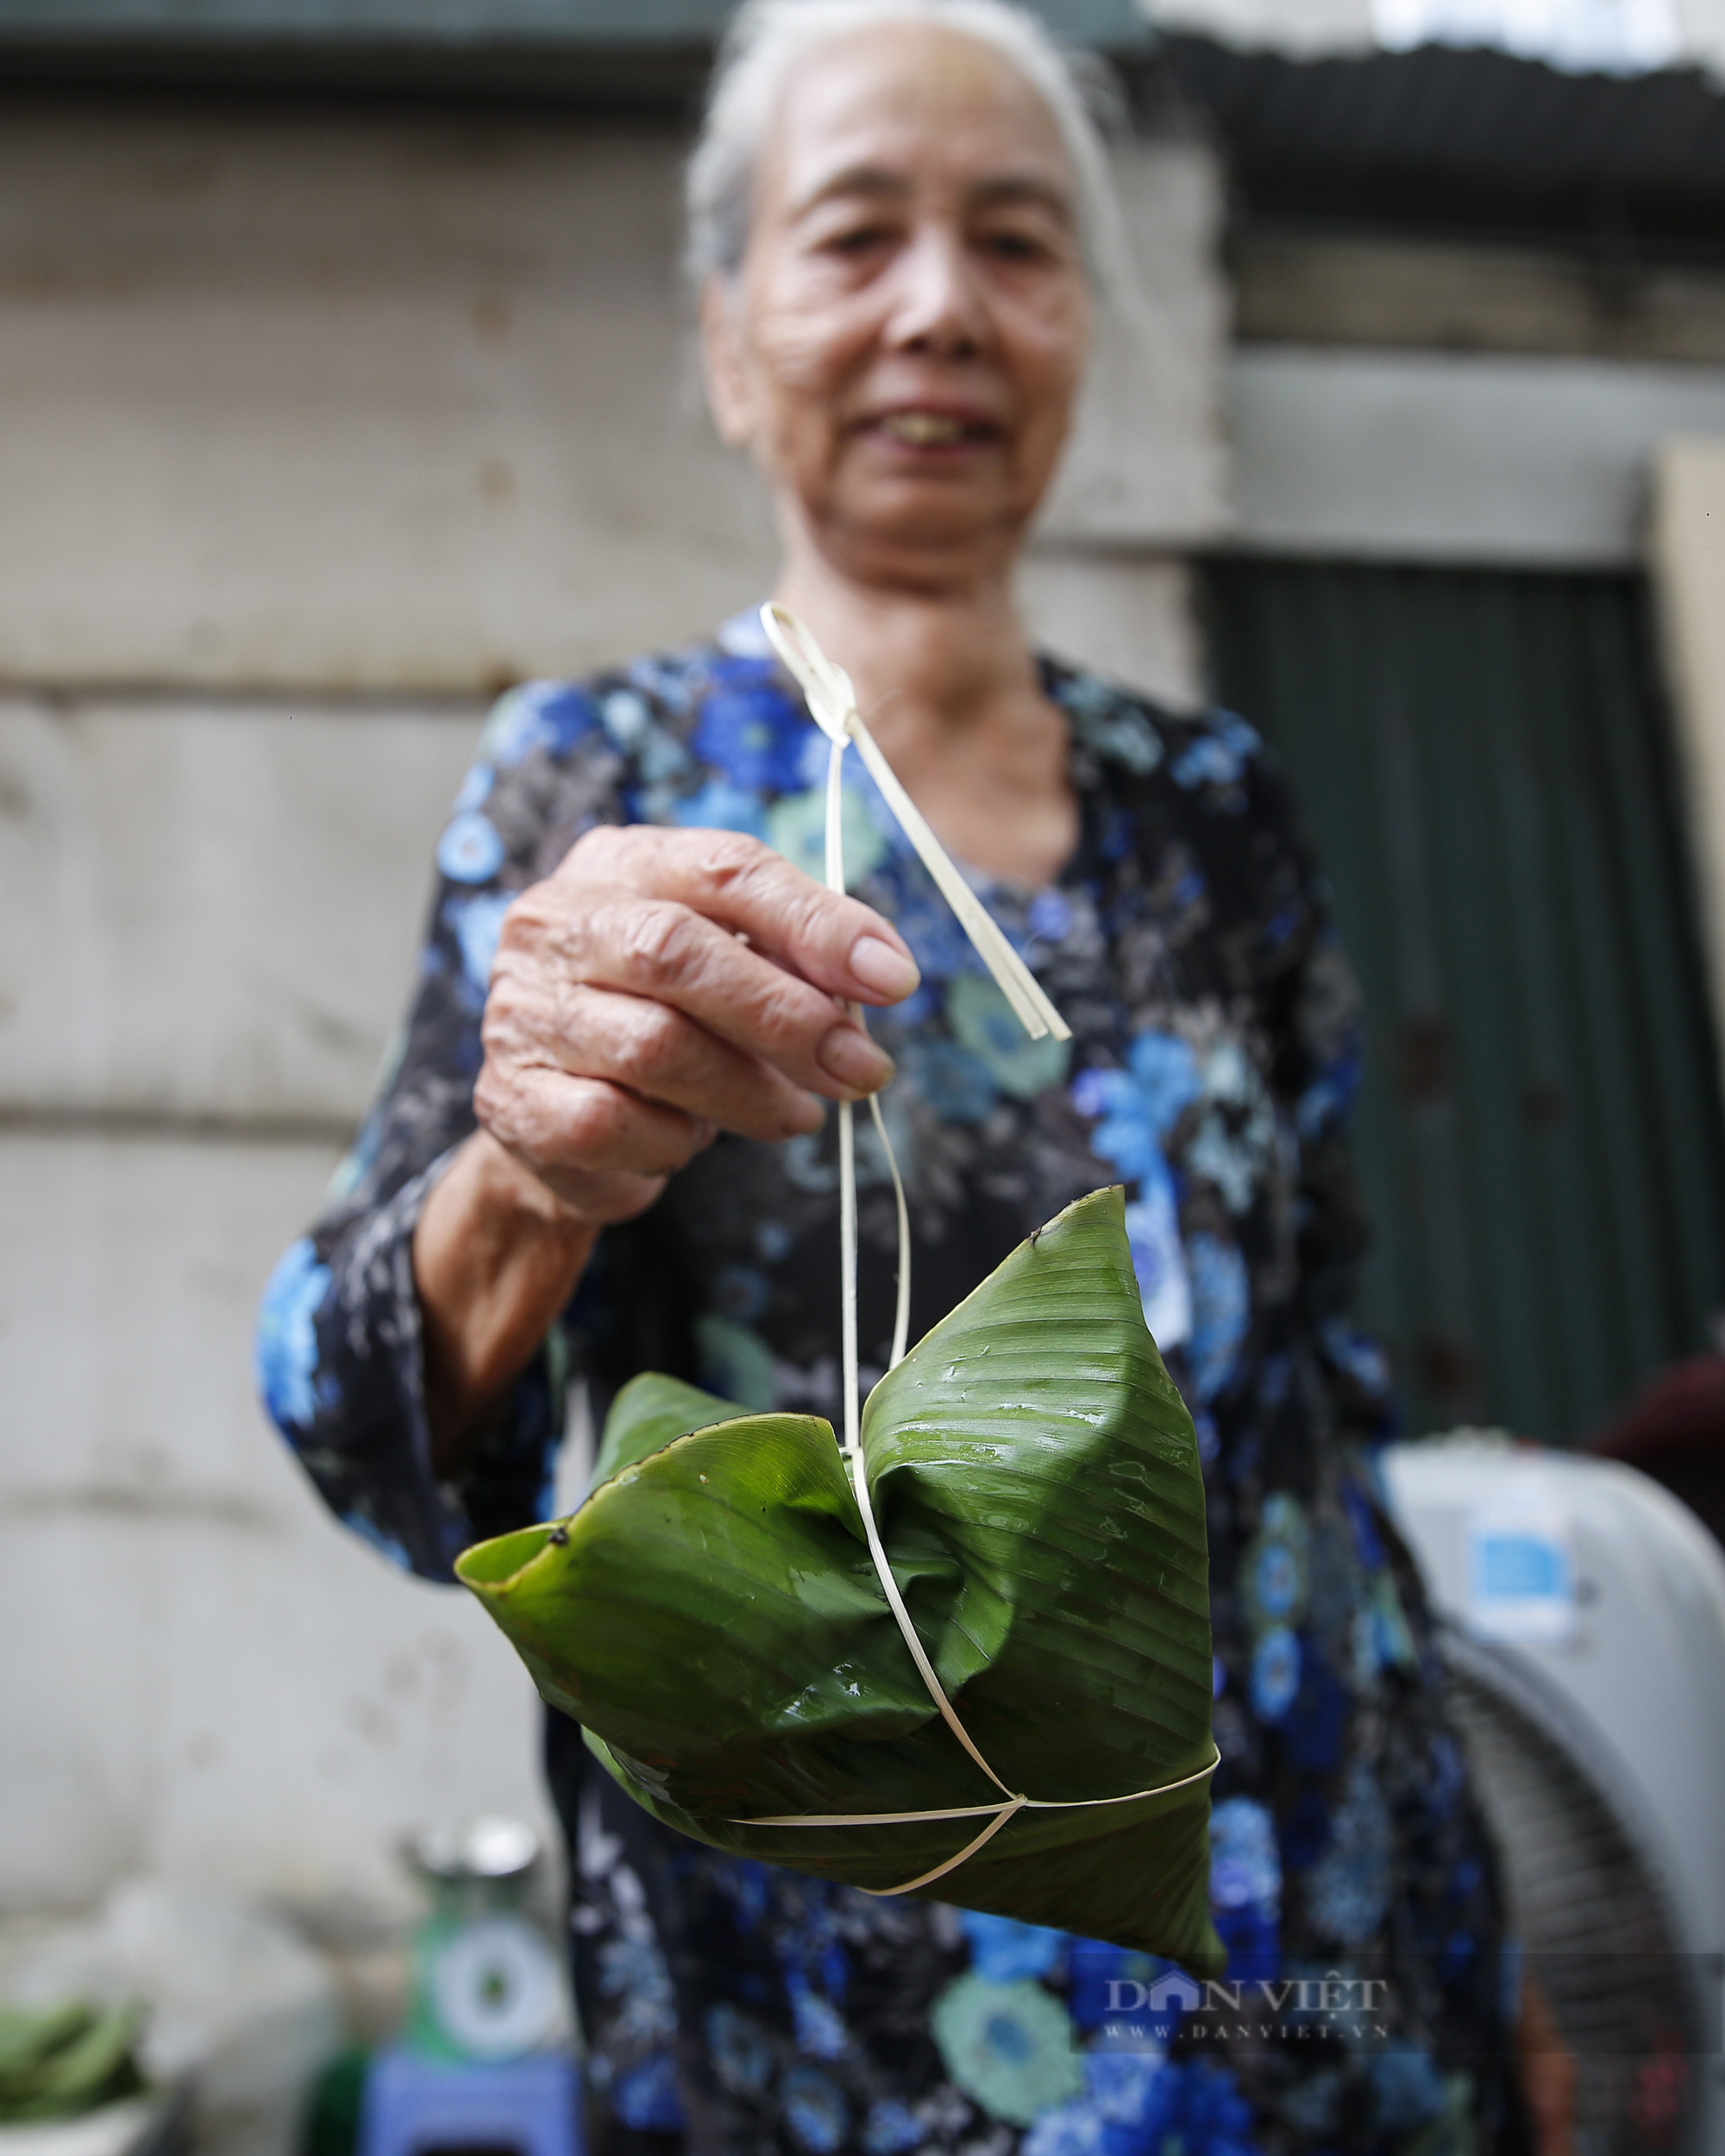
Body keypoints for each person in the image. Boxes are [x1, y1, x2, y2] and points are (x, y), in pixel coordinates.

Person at [256, 4, 1566, 2152]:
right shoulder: (601, 788)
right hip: (845, 2014)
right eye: (856, 234)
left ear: (1079, 327)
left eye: (1018, 243)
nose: (942, 306)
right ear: (729, 339)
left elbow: (1321, 1382)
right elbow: (352, 1406)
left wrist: (1471, 1922)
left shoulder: (1215, 806)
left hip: (1310, 1942)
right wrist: (534, 1168)